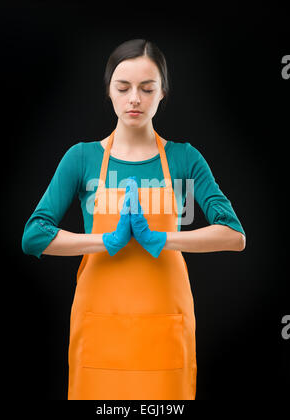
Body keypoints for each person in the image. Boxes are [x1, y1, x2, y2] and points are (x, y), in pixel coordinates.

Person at [22, 39, 246, 400]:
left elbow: (234, 235)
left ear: (162, 94)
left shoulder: (184, 159)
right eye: (123, 88)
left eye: (147, 88)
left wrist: (161, 238)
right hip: (101, 331)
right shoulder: (81, 159)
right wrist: (107, 240)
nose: (134, 99)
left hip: (163, 330)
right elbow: (33, 236)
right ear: (109, 91)